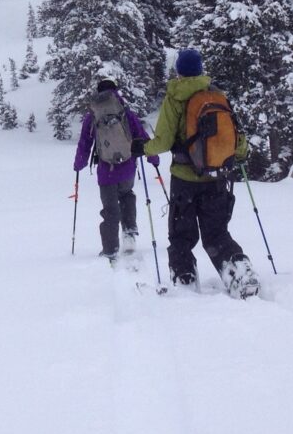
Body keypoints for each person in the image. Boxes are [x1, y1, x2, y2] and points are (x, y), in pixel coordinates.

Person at [144, 47, 258, 296]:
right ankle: (241, 271)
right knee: (217, 233)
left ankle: (185, 281)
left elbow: (162, 141)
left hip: (184, 179)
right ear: (200, 69)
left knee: (181, 236)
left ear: (179, 71)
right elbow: (234, 134)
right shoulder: (216, 94)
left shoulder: (175, 97)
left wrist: (144, 148)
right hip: (216, 177)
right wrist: (239, 155)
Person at [72, 66, 157, 263]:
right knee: (127, 196)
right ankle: (129, 235)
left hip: (106, 171)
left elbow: (85, 143)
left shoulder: (93, 116)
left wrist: (79, 164)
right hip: (127, 167)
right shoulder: (126, 112)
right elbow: (141, 137)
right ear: (116, 92)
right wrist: (153, 158)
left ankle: (110, 249)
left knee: (110, 209)